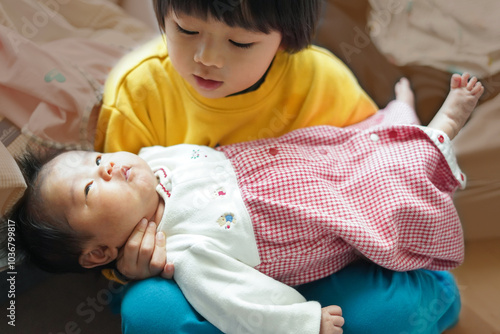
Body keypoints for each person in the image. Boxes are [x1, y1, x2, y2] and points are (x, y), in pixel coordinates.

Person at [9, 74, 483, 333]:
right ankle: (437, 133)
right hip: (308, 218)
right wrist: (299, 322)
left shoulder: (150, 161)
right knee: (387, 187)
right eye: (90, 189)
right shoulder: (182, 251)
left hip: (304, 159)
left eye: (95, 158)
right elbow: (236, 297)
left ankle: (403, 117)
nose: (107, 166)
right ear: (97, 253)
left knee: (363, 143)